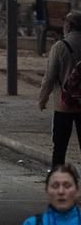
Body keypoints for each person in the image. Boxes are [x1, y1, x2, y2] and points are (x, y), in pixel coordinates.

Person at [40, 12, 81, 166]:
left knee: (60, 145)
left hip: (63, 104)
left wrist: (43, 99)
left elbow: (50, 76)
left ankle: (57, 176)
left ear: (69, 26)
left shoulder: (60, 46)